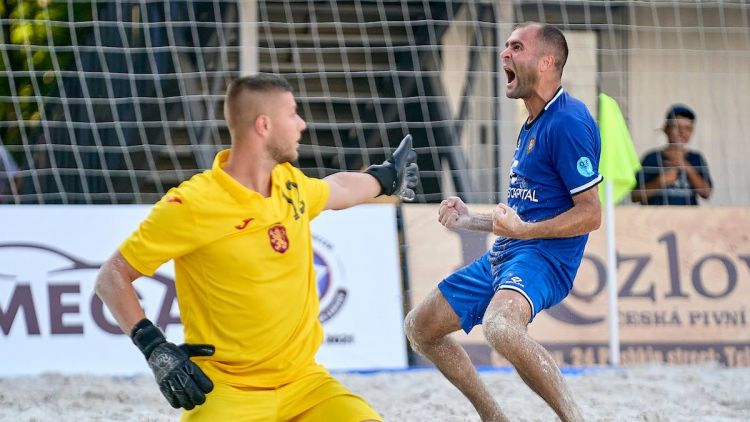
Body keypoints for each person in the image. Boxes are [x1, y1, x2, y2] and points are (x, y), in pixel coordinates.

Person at [94, 73, 418, 421]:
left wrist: (384, 178)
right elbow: (111, 277)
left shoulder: (289, 183)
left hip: (305, 385)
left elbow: (337, 189)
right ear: (264, 125)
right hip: (227, 390)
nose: (302, 124)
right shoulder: (192, 203)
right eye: (292, 114)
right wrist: (155, 349)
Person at [404, 22, 601, 422]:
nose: (504, 54)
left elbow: (590, 214)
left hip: (544, 258)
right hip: (508, 254)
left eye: (516, 47)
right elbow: (520, 216)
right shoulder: (532, 121)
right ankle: (494, 417)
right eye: (505, 46)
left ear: (547, 62)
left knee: (501, 327)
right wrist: (468, 221)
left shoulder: (568, 120)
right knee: (420, 328)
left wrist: (525, 232)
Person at [631, 104, 713, 205]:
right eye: (676, 127)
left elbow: (706, 193)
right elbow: (635, 196)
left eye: (687, 128)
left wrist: (686, 166)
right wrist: (661, 181)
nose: (682, 132)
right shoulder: (651, 158)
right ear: (666, 129)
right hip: (655, 219)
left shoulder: (696, 158)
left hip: (689, 219)